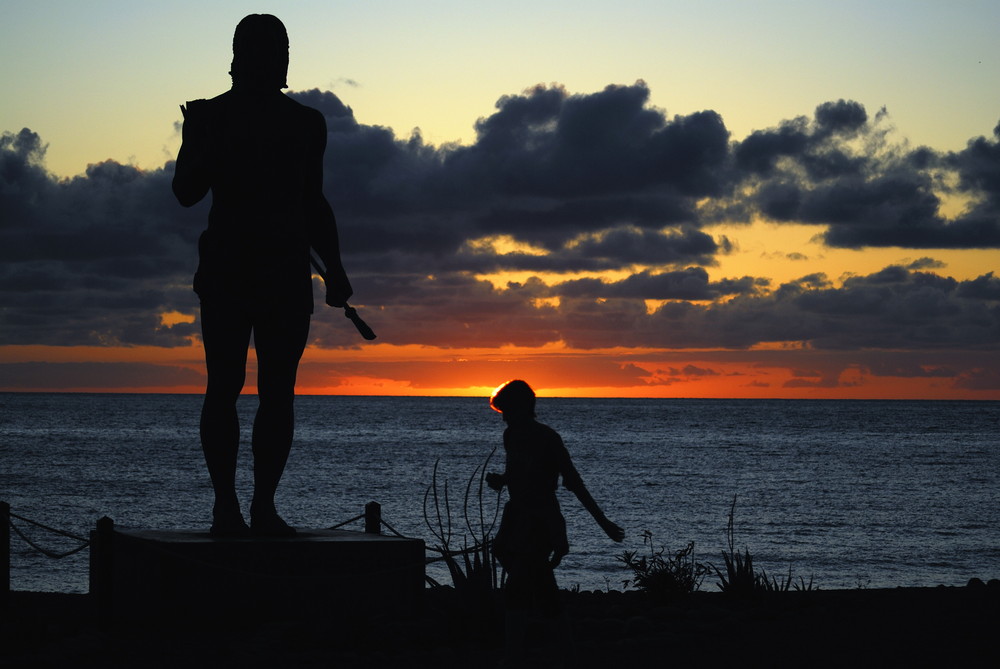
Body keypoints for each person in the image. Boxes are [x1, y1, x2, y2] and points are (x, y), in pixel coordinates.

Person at [172, 14, 353, 537]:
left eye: (279, 47)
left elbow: (313, 202)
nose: (275, 57)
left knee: (276, 392)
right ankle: (228, 505)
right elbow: (186, 191)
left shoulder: (306, 123)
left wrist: (335, 268)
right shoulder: (213, 117)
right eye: (267, 48)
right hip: (231, 270)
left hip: (281, 272)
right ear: (242, 55)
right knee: (226, 387)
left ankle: (261, 506)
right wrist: (200, 138)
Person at [486, 380, 624, 662]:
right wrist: (502, 481)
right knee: (543, 590)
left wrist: (604, 523)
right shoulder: (510, 435)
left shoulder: (548, 438)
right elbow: (517, 473)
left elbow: (573, 481)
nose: (503, 417)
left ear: (523, 407)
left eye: (507, 410)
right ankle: (566, 653)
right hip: (515, 519)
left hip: (540, 522)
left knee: (517, 589)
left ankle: (513, 657)